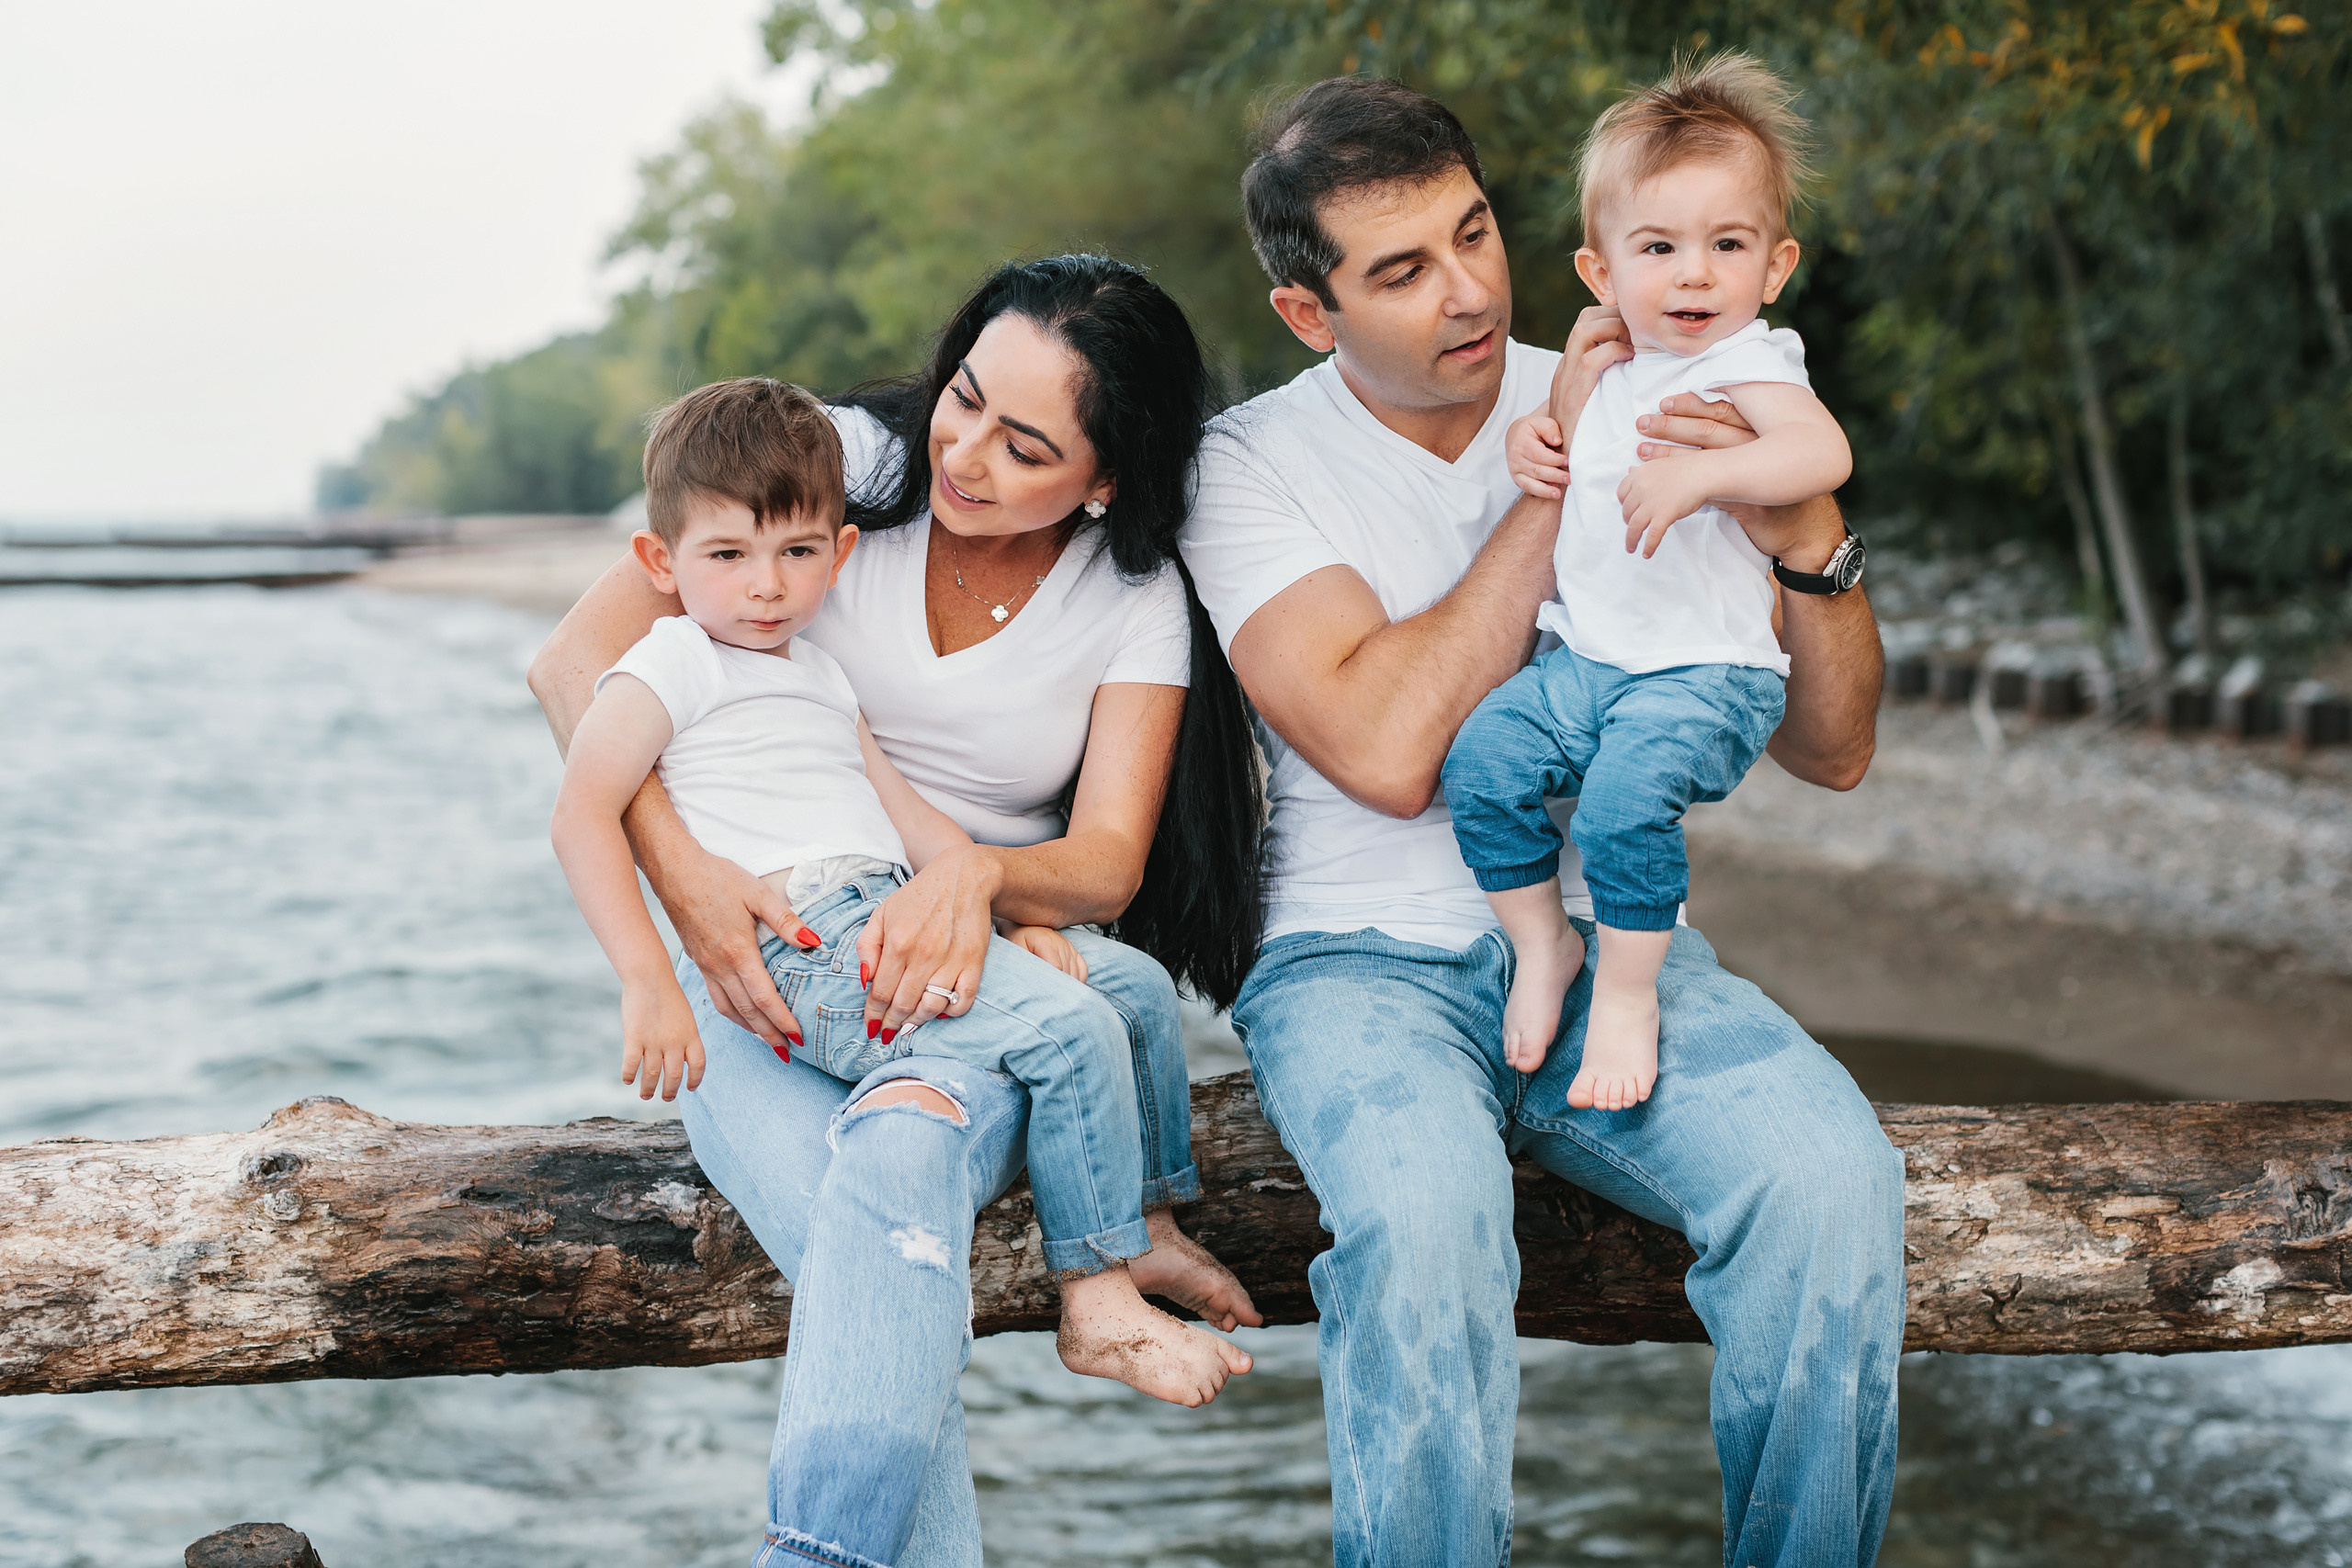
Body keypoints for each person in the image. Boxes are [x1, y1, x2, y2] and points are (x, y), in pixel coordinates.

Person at [1181, 77, 1905, 1567]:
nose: (1466, 294)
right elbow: (1388, 749)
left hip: (1615, 944)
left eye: (1474, 234)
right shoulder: (1247, 466)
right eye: (1401, 271)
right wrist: (1557, 480)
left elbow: (1833, 751)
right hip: (1353, 961)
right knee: (1429, 1223)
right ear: (1310, 314)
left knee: (1834, 1179)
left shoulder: (1682, 359)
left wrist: (1811, 541)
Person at [527, 257, 1266, 1566]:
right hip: (761, 958)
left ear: (1100, 478)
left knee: (904, 1176)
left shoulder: (1129, 593)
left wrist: (973, 879)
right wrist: (685, 882)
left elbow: (1100, 862)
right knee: (887, 1228)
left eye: (1023, 441)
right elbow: (573, 665)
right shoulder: (835, 465)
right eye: (965, 396)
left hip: (967, 961)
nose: (966, 453)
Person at [1442, 54, 1855, 1113]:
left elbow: (1819, 457)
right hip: (1587, 658)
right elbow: (1572, 461)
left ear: (1774, 266)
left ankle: (1629, 990)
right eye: (1658, 248)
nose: (1693, 276)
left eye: (1728, 247)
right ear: (1600, 271)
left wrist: (1709, 472)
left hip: (1704, 671)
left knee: (1625, 807)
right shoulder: (1610, 365)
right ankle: (1542, 943)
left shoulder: (1753, 362)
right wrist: (1545, 443)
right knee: (1483, 761)